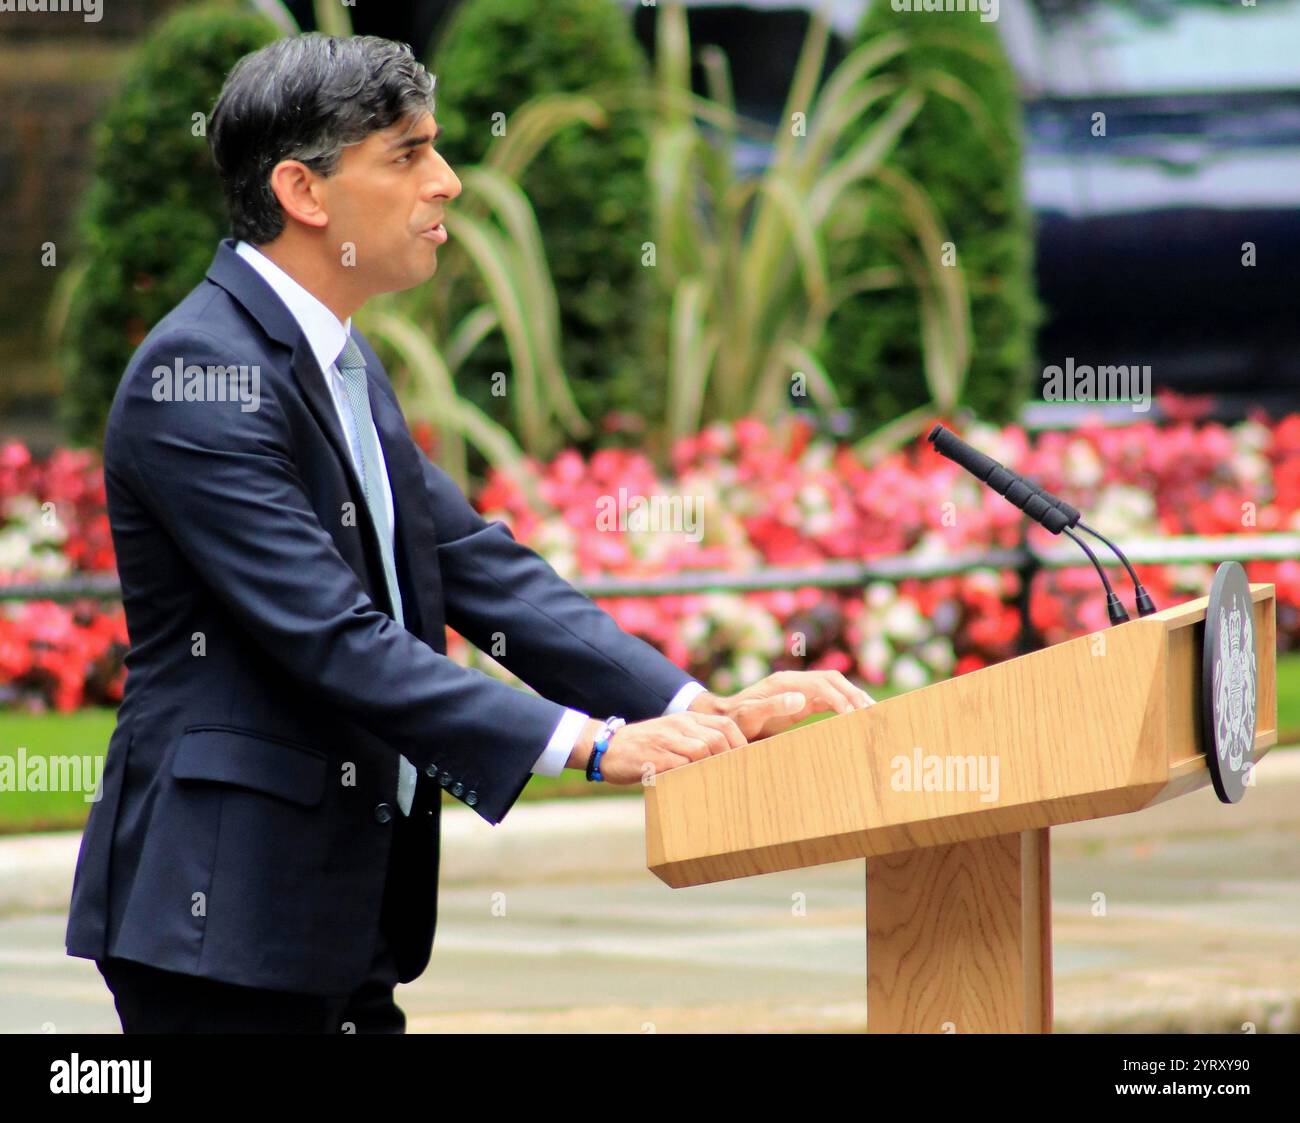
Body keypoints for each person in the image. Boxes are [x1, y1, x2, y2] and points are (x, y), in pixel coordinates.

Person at [64, 33, 873, 1034]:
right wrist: (589, 746)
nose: (445, 182)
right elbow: (332, 634)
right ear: (302, 193)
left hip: (335, 918)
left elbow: (479, 571)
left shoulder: (341, 359)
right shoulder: (199, 377)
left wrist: (692, 706)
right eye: (406, 154)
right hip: (222, 921)